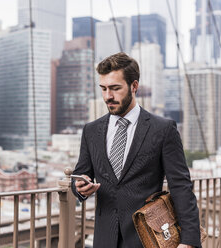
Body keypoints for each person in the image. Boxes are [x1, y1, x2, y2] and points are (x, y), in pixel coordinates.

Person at [71, 52, 201, 248]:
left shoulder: (163, 129)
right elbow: (81, 174)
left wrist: (189, 241)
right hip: (104, 238)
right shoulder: (91, 131)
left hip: (147, 238)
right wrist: (80, 188)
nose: (108, 96)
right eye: (104, 89)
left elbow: (181, 186)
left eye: (115, 88)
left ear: (134, 86)